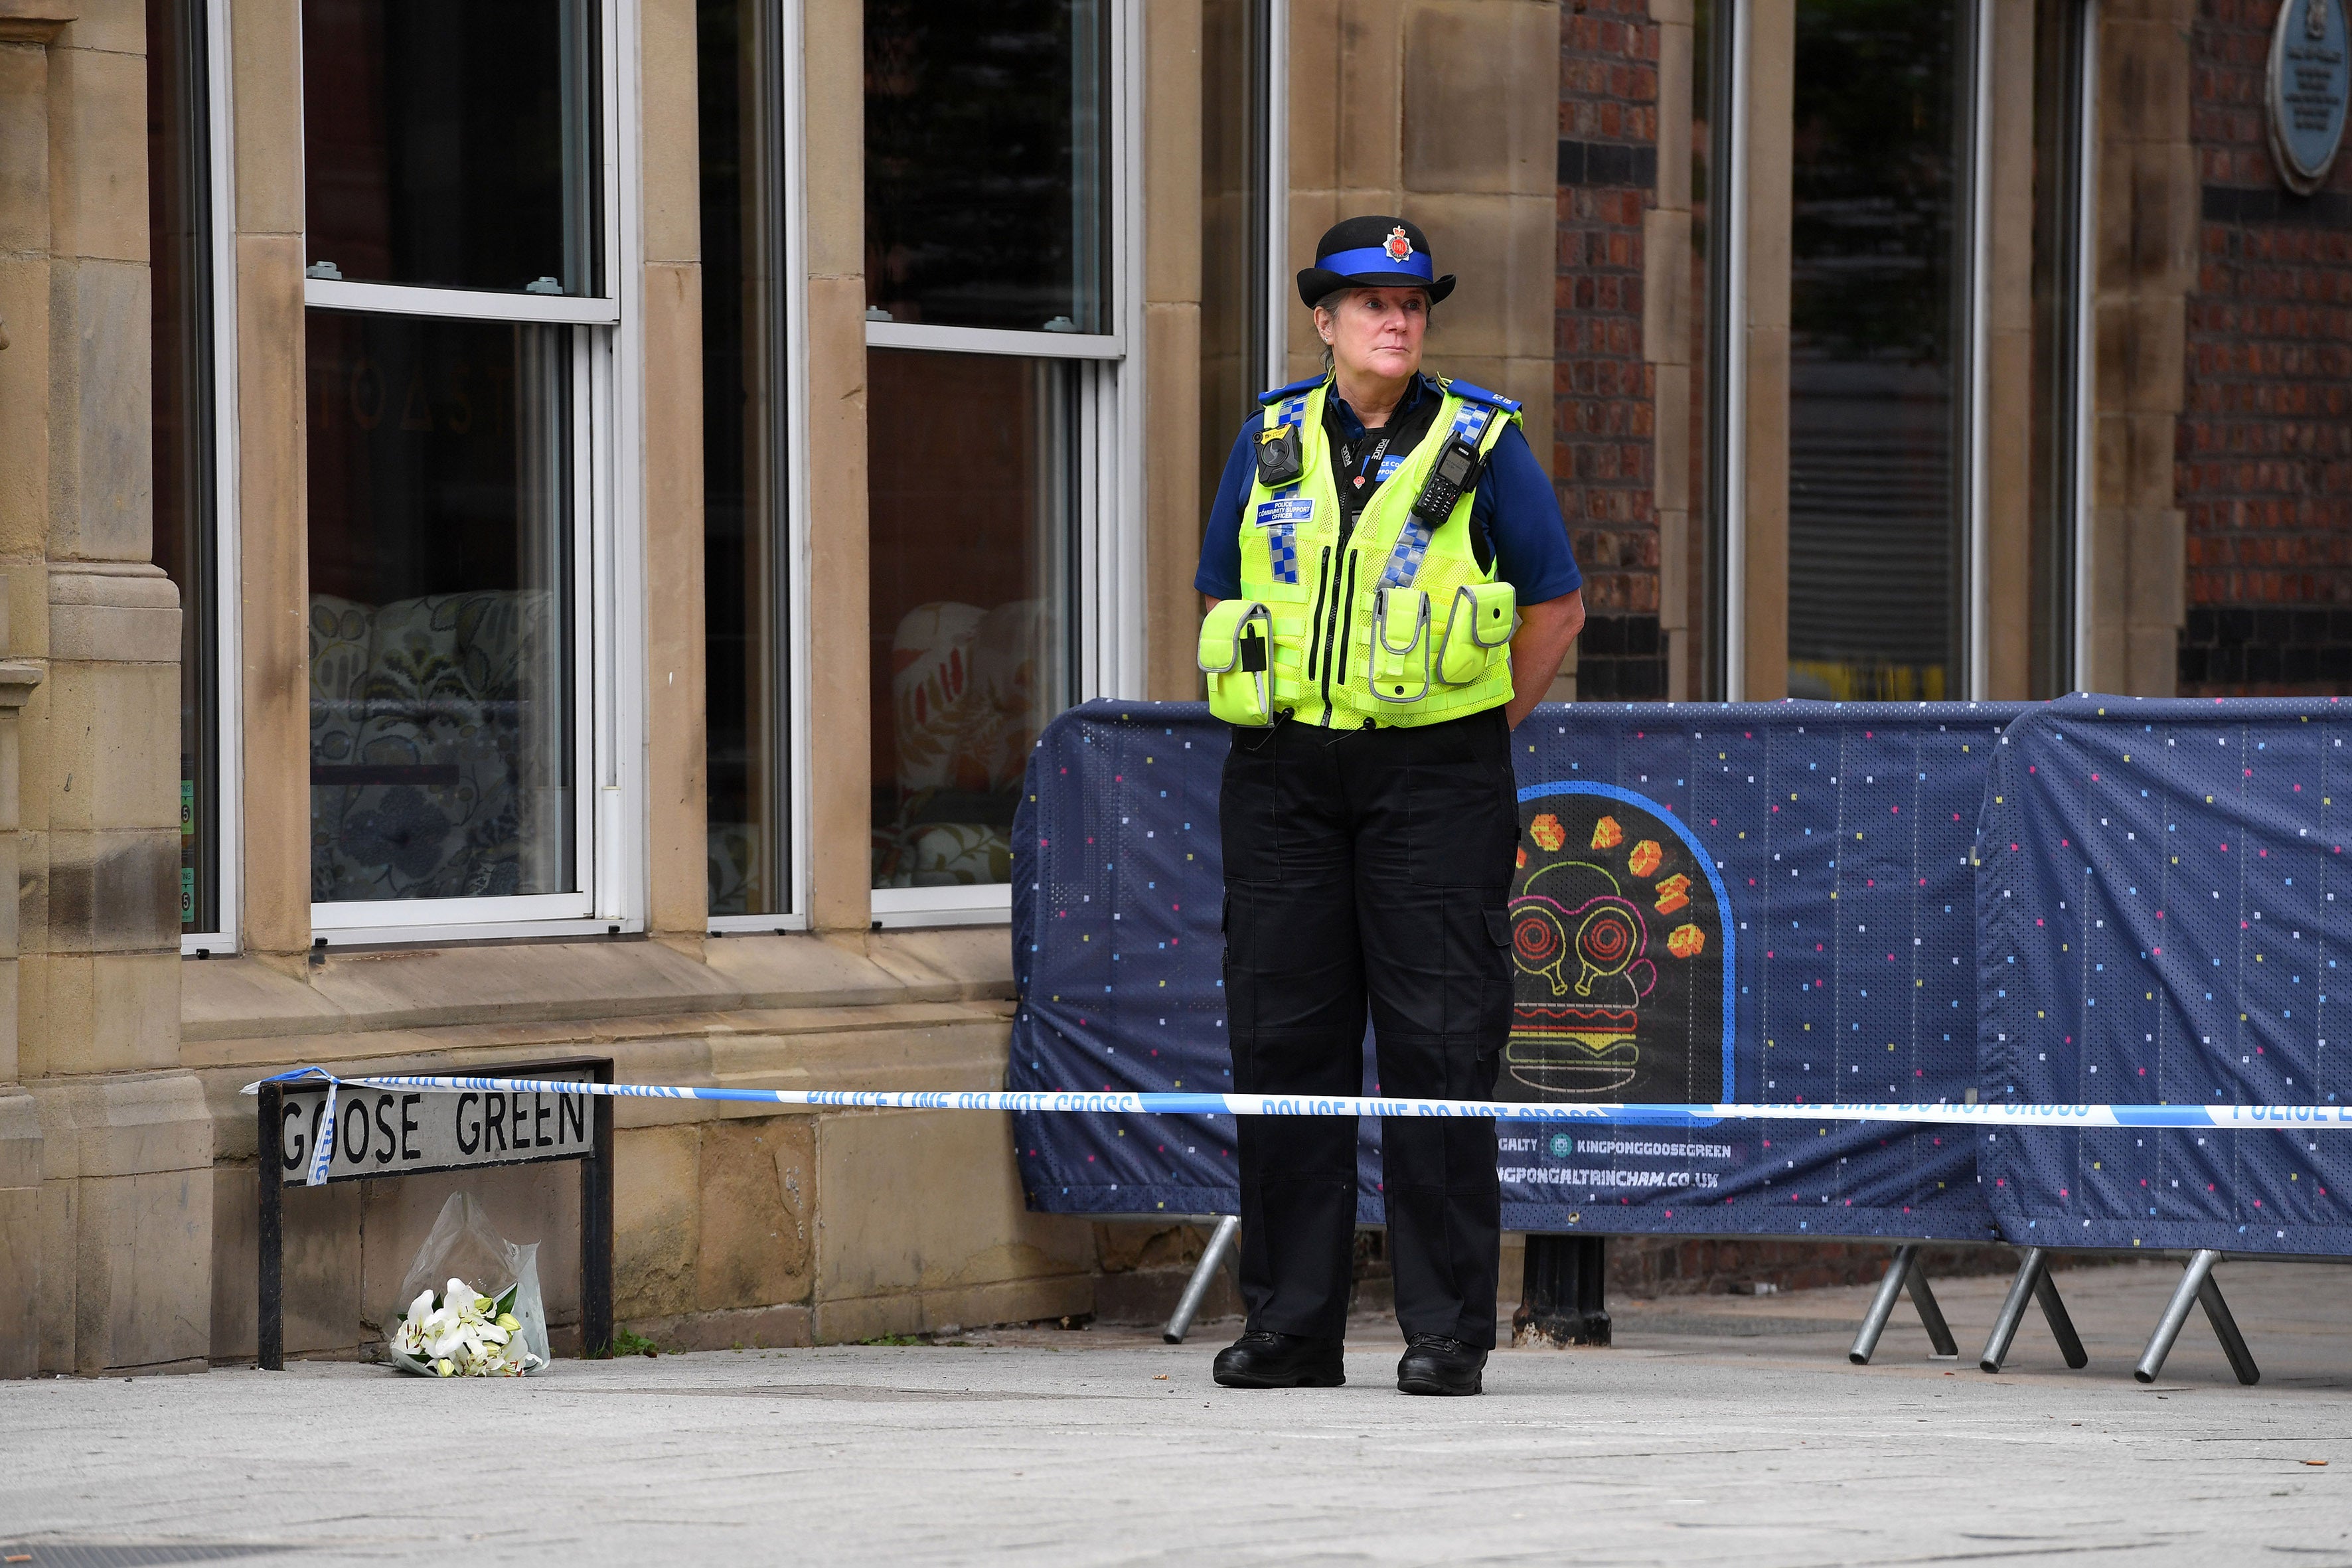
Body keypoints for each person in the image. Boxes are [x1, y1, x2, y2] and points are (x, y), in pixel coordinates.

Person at [1194, 216, 1585, 1396]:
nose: (1396, 321)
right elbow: (1224, 586)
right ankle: (1293, 1324)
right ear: (1324, 320)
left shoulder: (1484, 441)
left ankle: (1447, 1329)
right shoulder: (1268, 435)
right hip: (1284, 779)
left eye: (1412, 305)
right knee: (1283, 1045)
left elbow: (1554, 608)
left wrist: (1473, 737)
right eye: (1370, 303)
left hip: (1434, 780)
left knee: (1440, 1048)